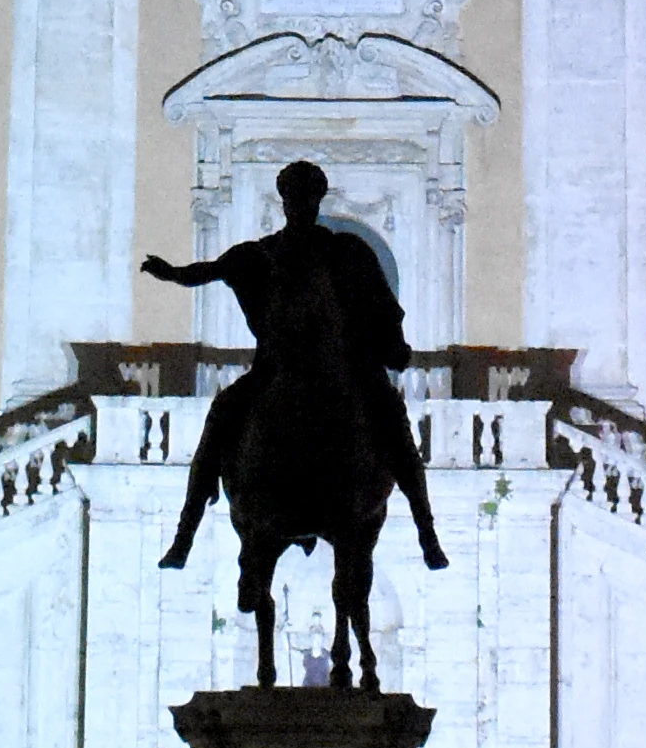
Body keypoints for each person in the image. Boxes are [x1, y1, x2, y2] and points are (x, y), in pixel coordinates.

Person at [144, 162, 448, 573]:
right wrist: (169, 273)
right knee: (220, 420)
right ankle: (185, 535)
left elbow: (383, 308)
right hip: (280, 370)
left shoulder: (346, 252)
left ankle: (426, 531)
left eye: (305, 198)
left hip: (337, 369)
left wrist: (393, 346)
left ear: (316, 200)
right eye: (293, 198)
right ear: (284, 201)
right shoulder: (264, 253)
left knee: (394, 423)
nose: (299, 205)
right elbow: (206, 272)